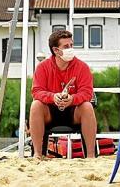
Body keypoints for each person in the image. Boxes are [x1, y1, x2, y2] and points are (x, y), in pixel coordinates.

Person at [30, 29, 96, 159]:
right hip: (50, 111)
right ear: (56, 50)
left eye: (71, 45)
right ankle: (37, 154)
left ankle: (91, 156)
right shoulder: (43, 67)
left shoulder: (82, 67)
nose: (70, 49)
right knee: (35, 105)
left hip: (74, 111)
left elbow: (87, 92)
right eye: (66, 46)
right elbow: (36, 91)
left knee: (87, 106)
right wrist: (53, 97)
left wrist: (72, 99)